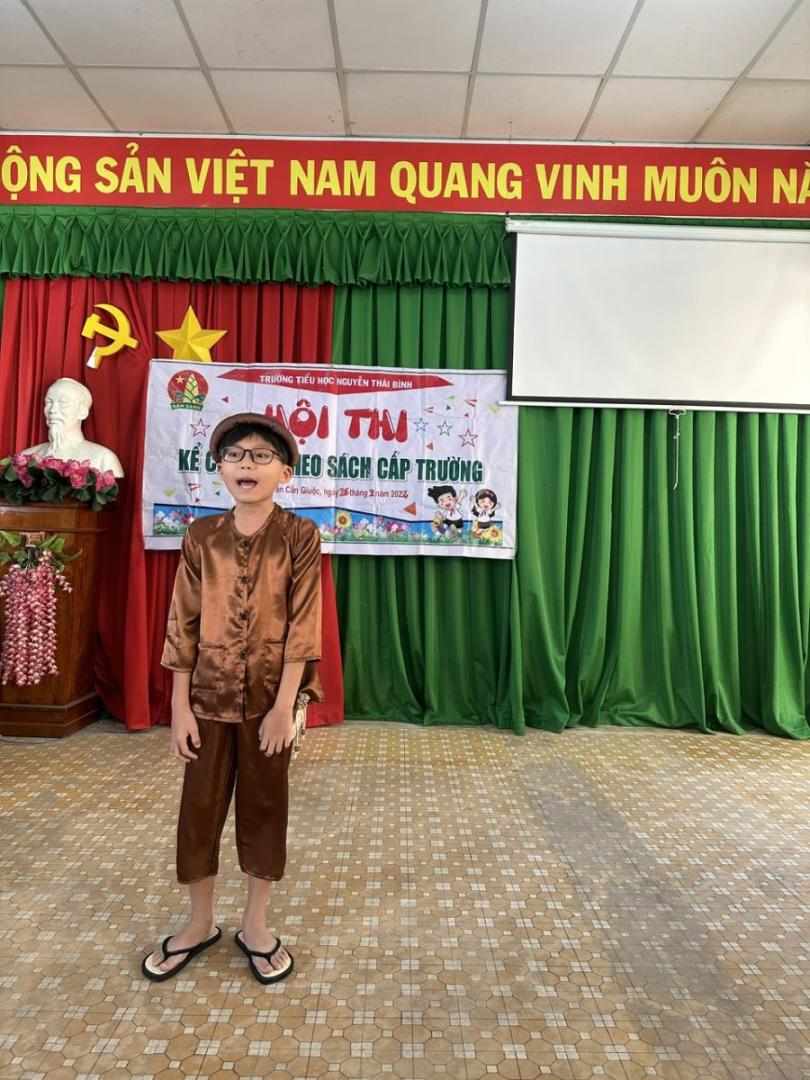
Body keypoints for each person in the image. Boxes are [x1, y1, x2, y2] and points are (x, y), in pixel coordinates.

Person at [141, 412, 322, 985]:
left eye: (262, 456)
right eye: (236, 455)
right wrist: (179, 707)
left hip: (271, 698)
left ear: (284, 473)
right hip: (207, 697)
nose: (248, 464)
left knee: (265, 807)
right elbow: (183, 623)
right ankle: (199, 924)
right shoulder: (201, 537)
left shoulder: (300, 536)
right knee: (199, 810)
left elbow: (304, 625)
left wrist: (284, 707)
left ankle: (256, 926)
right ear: (220, 468)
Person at [23, 377, 124, 477]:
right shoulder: (26, 457)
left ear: (83, 412)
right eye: (49, 402)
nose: (52, 410)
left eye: (63, 403)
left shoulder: (103, 459)